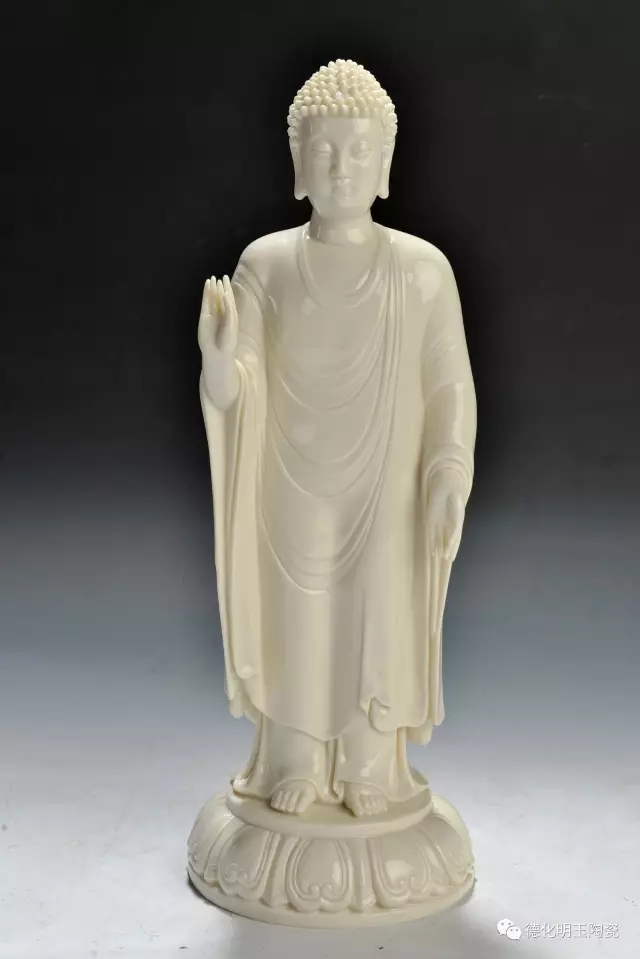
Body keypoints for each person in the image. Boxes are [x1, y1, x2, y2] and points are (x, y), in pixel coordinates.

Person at [198, 60, 476, 817]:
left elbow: (448, 386)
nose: (342, 166)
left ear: (386, 164)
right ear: (296, 163)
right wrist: (218, 365)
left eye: (360, 151)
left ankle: (368, 766)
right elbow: (237, 387)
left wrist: (448, 470)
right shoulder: (265, 265)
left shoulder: (422, 270)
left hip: (386, 482)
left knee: (374, 615)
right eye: (323, 150)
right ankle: (294, 760)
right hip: (287, 483)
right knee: (298, 619)